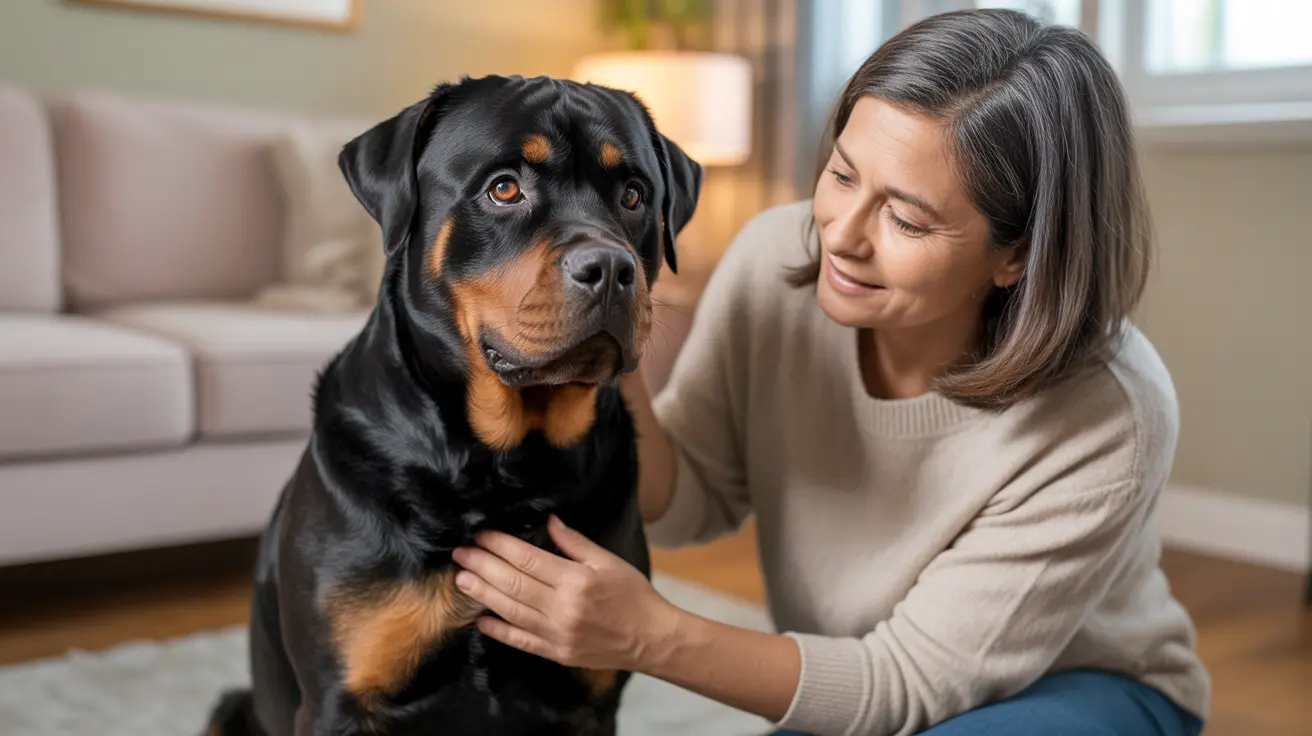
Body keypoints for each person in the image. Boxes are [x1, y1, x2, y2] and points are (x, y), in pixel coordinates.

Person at [450, 8, 1210, 735]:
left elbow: (905, 683)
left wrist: (651, 635)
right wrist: (604, 345)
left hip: (1083, 688)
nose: (841, 236)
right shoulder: (780, 258)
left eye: (907, 219)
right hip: (864, 674)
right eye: (843, 175)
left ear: (1018, 253)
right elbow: (689, 499)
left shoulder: (1110, 414)